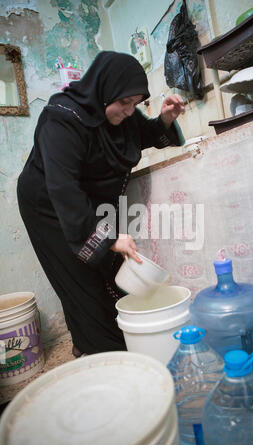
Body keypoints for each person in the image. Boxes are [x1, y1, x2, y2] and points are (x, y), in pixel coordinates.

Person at [17, 51, 185, 357]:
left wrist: (165, 119)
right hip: (49, 206)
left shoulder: (123, 114)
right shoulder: (62, 118)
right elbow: (62, 187)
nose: (129, 110)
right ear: (103, 89)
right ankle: (100, 351)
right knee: (78, 277)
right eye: (124, 103)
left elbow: (141, 133)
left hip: (82, 202)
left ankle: (106, 339)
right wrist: (106, 237)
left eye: (135, 103)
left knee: (109, 269)